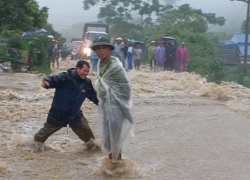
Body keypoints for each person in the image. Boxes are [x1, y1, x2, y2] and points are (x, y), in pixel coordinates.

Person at [34, 61, 99, 148]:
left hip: (75, 115)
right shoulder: (66, 77)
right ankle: (29, 148)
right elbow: (54, 79)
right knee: (39, 138)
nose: (86, 73)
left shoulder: (86, 83)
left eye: (87, 71)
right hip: (58, 114)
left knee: (89, 137)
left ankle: (92, 151)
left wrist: (103, 104)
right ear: (77, 69)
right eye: (84, 71)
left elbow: (93, 96)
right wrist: (47, 82)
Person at [91, 36, 133, 161]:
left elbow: (126, 87)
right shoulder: (101, 63)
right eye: (98, 49)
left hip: (115, 106)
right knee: (108, 137)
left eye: (104, 48)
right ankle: (112, 163)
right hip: (106, 105)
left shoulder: (115, 65)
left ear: (110, 49)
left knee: (115, 137)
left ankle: (117, 165)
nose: (101, 51)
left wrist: (121, 105)